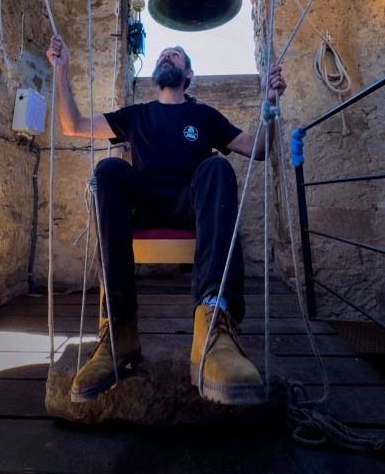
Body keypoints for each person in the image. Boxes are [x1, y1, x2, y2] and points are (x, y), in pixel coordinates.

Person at [46, 34, 286, 405]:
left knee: (217, 168)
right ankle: (119, 333)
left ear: (188, 73)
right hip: (146, 203)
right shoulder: (136, 114)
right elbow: (73, 125)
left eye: (174, 55)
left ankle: (214, 330)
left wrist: (269, 105)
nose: (166, 56)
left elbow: (259, 149)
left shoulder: (203, 116)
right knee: (109, 170)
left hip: (189, 203)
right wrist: (61, 70)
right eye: (162, 54)